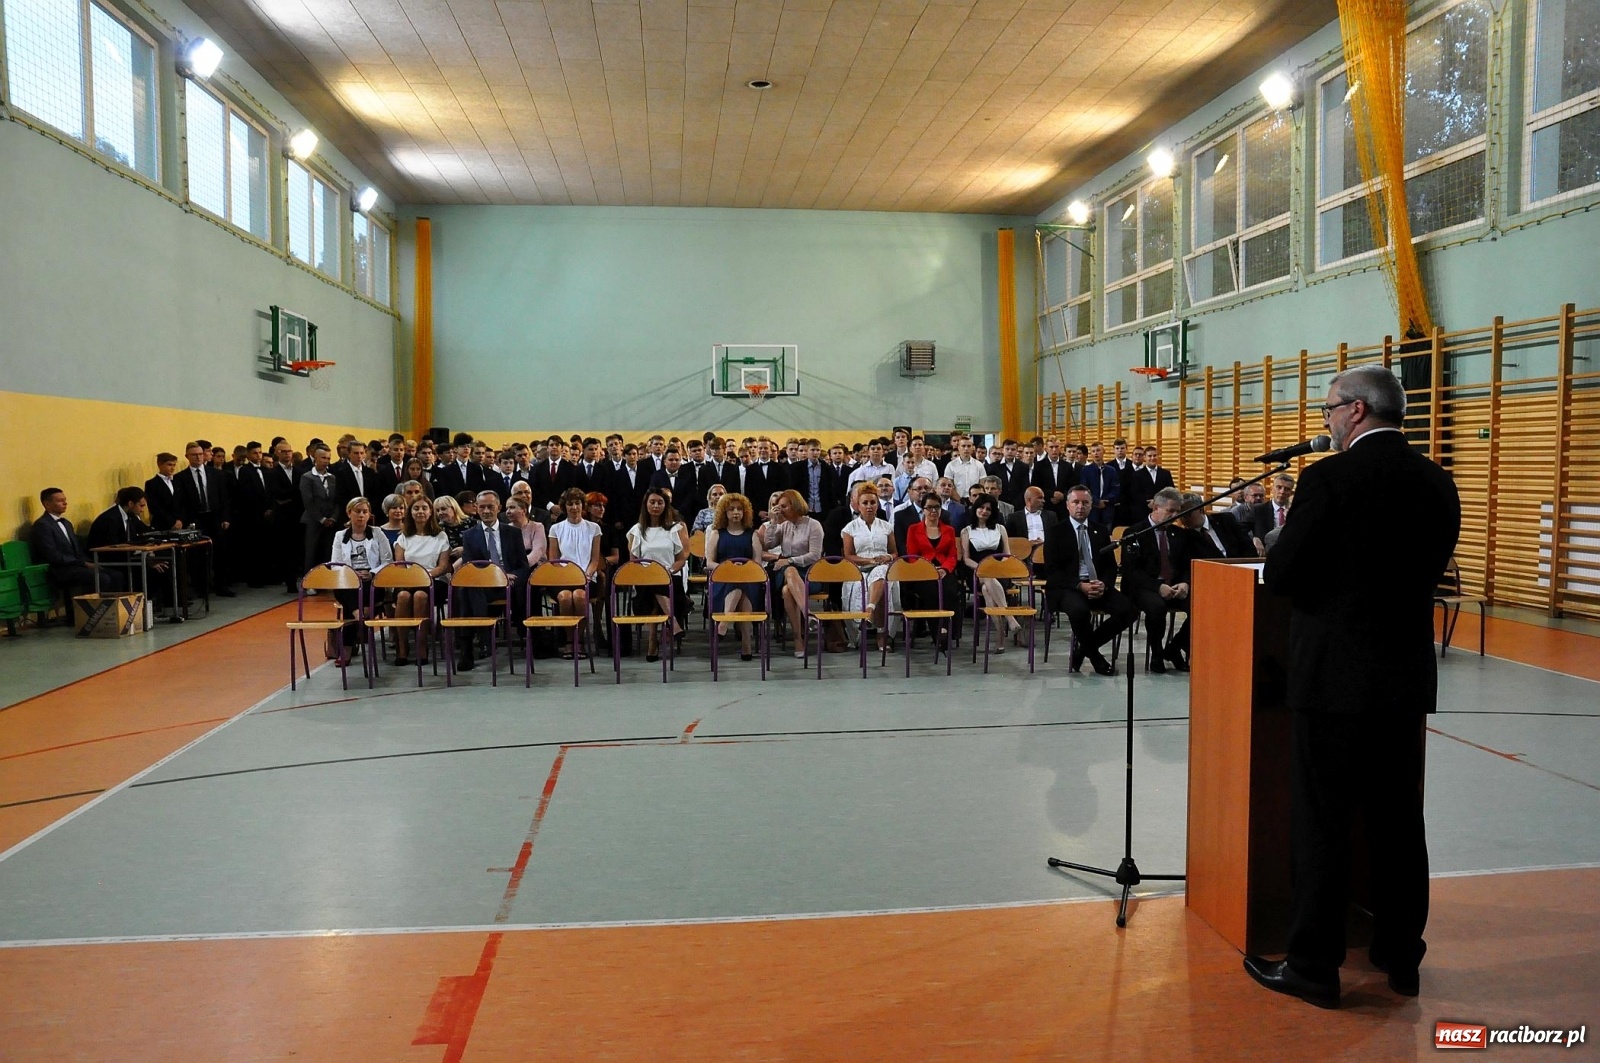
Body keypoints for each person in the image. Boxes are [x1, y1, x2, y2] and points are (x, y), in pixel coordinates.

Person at [1244, 365, 1460, 1009]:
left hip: (1332, 680)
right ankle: (1401, 956)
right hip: (1403, 678)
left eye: (1329, 408)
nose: (1327, 420)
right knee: (1398, 821)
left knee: (1323, 822)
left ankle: (1314, 966)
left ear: (1357, 410)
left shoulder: (1329, 478)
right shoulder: (1437, 480)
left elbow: (1284, 574)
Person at [1042, 484, 1136, 675]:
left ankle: (1083, 649)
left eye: (1085, 502)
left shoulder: (1100, 530)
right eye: (1076, 502)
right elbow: (1053, 570)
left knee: (1129, 611)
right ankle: (1096, 658)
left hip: (1096, 584)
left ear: (1091, 505)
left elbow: (1110, 566)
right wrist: (1079, 585)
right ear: (1067, 505)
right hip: (1067, 587)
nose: (1080, 506)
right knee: (1079, 611)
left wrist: (1104, 584)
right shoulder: (1055, 531)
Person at [455, 490, 531, 671]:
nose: (486, 511)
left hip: (507, 585)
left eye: (490, 506)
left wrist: (504, 576)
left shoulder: (513, 533)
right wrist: (490, 576)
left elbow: (523, 567)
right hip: (482, 585)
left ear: (499, 507)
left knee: (468, 592)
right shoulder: (469, 535)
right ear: (476, 509)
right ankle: (480, 640)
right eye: (482, 507)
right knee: (467, 588)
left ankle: (476, 642)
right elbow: (469, 566)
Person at [1119, 487, 1190, 674]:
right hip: (1144, 587)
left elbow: (1186, 565)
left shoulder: (1179, 534)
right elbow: (1131, 571)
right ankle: (1157, 654)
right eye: (1170, 511)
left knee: (1201, 606)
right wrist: (1158, 587)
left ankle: (1174, 648)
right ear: (1156, 507)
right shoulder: (1134, 532)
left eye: (1177, 511)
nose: (1175, 516)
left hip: (1174, 586)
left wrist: (1185, 583)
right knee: (1156, 607)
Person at [757, 489, 824, 657]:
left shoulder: (814, 525)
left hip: (809, 573)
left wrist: (790, 560)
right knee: (790, 570)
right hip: (786, 572)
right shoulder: (784, 525)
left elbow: (815, 555)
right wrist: (773, 522)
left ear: (795, 505)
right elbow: (768, 545)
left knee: (787, 591)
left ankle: (797, 640)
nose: (780, 510)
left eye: (784, 506)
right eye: (778, 507)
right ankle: (807, 613)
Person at [625, 488, 690, 662]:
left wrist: (668, 571)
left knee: (658, 587)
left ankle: (652, 642)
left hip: (669, 577)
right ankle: (672, 623)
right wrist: (649, 573)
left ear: (665, 505)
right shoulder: (637, 530)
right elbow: (633, 562)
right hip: (645, 579)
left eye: (660, 503)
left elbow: (680, 560)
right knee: (653, 585)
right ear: (645, 505)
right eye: (652, 502)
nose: (656, 506)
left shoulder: (674, 529)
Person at [328, 497, 393, 665]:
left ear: (369, 514)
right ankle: (360, 616)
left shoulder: (378, 533)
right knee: (348, 589)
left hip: (373, 581)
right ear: (349, 513)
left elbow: (387, 561)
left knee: (354, 602)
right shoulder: (340, 536)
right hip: (349, 581)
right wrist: (350, 574)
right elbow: (335, 564)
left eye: (365, 512)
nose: (361, 515)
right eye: (357, 511)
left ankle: (347, 648)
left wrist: (372, 573)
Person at [704, 491, 763, 661]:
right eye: (731, 509)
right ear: (725, 512)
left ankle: (724, 623)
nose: (736, 512)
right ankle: (746, 643)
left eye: (739, 509)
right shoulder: (716, 533)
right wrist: (728, 569)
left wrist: (742, 570)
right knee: (736, 583)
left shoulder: (752, 534)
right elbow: (709, 562)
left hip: (748, 577)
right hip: (723, 579)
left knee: (741, 584)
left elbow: (757, 562)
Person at [392, 497, 451, 666]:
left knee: (420, 596)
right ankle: (402, 646)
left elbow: (443, 566)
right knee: (403, 596)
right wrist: (413, 577)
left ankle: (421, 645)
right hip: (408, 579)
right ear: (410, 512)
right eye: (416, 508)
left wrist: (426, 575)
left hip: (434, 580)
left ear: (431, 512)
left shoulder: (440, 536)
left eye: (424, 508)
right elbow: (400, 565)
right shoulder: (403, 537)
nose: (420, 511)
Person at [840, 484, 898, 651]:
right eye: (865, 503)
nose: (869, 506)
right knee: (876, 574)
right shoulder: (850, 528)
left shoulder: (886, 527)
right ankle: (873, 626)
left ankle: (872, 614)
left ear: (878, 504)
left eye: (873, 502)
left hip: (883, 566)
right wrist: (869, 560)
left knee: (882, 572)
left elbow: (894, 553)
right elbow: (848, 555)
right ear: (858, 505)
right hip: (860, 568)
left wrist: (887, 557)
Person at [547, 487, 603, 658]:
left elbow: (594, 560)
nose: (574, 507)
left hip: (587, 577)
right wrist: (566, 575)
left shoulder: (594, 528)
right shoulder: (555, 529)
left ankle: (579, 640)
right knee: (565, 597)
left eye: (577, 503)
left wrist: (587, 575)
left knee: (579, 596)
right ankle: (570, 640)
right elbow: (554, 560)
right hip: (562, 577)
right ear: (564, 506)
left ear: (582, 505)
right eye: (570, 504)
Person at [901, 492, 961, 648]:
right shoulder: (913, 529)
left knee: (949, 590)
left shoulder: (949, 530)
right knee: (931, 592)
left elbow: (952, 555)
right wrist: (929, 569)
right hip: (923, 572)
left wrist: (944, 569)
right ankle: (938, 633)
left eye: (937, 507)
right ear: (923, 509)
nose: (933, 511)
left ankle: (947, 630)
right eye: (929, 507)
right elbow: (912, 555)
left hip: (944, 570)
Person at [960, 494, 1019, 649]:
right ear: (975, 509)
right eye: (981, 507)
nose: (984, 511)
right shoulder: (966, 531)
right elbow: (966, 559)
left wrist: (997, 568)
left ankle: (1000, 638)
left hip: (999, 571)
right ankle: (1010, 618)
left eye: (988, 509)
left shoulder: (1000, 529)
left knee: (987, 589)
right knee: (987, 576)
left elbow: (1007, 554)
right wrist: (982, 568)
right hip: (976, 571)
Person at [298, 444, 339, 585]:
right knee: (312, 552)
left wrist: (333, 517)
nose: (326, 461)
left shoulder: (332, 477)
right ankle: (309, 583)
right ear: (315, 458)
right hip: (313, 521)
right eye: (323, 458)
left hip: (330, 521)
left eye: (328, 458)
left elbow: (336, 500)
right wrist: (321, 519)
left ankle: (325, 581)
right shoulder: (307, 477)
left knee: (328, 552)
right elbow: (308, 502)